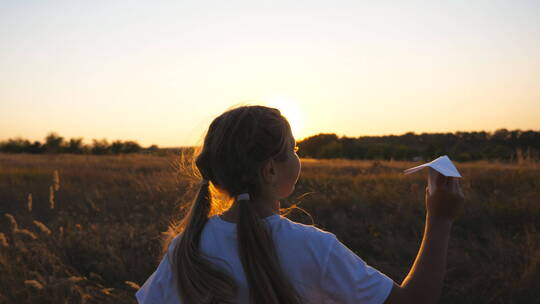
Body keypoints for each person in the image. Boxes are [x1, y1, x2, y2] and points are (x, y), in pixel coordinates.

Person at [135, 105, 465, 304]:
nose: (297, 156)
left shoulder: (186, 247)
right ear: (270, 170)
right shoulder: (313, 247)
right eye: (293, 148)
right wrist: (440, 219)